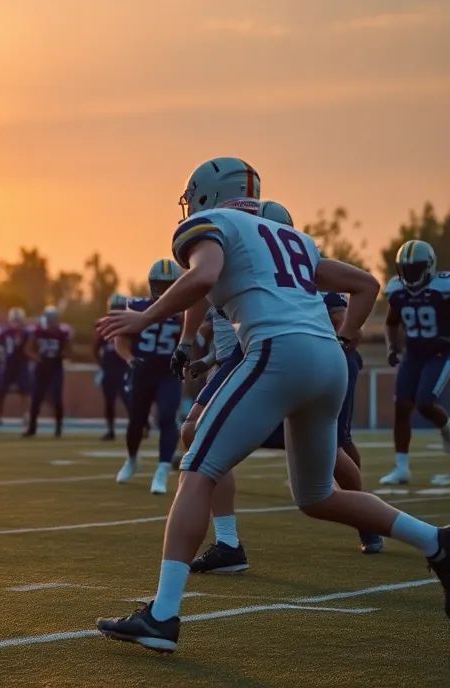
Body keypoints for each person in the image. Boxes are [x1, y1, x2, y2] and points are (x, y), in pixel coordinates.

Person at [95, 157, 450, 653]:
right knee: (317, 495)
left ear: (204, 195)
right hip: (327, 361)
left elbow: (204, 276)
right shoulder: (291, 237)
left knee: (197, 466)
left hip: (278, 352)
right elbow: (367, 285)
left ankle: (163, 614)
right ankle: (437, 541)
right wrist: (346, 341)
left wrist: (143, 318)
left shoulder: (213, 224)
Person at [176, 200, 383, 574]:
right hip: (241, 358)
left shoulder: (297, 269)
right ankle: (227, 541)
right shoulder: (235, 253)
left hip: (288, 356)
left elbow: (352, 301)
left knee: (331, 458)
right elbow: (201, 295)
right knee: (194, 432)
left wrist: (342, 341)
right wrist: (195, 348)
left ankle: (369, 522)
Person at [379, 240, 450, 484]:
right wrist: (392, 346)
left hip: (441, 354)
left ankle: (448, 430)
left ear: (429, 267)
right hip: (413, 354)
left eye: (415, 268)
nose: (409, 274)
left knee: (425, 403)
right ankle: (401, 468)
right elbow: (391, 322)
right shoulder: (397, 290)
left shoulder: (443, 287)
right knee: (401, 408)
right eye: (406, 269)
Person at [114, 261, 183, 495]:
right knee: (136, 423)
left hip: (168, 372)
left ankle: (162, 470)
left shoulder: (184, 310)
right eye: (161, 286)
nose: (164, 291)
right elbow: (120, 339)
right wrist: (129, 358)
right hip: (142, 371)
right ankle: (132, 459)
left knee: (166, 416)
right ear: (152, 285)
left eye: (169, 286)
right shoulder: (136, 306)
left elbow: (195, 334)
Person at [25, 306, 71, 438]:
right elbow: (28, 349)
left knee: (57, 397)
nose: (53, 322)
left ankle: (58, 428)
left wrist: (62, 354)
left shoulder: (62, 333)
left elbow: (68, 350)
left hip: (55, 368)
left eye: (55, 319)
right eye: (51, 320)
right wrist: (36, 357)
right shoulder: (38, 332)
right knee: (36, 399)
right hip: (41, 369)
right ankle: (32, 428)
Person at [93, 293, 130, 441]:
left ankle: (141, 425)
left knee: (130, 400)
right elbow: (95, 348)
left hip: (124, 368)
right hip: (109, 370)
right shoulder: (103, 325)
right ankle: (110, 430)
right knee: (109, 402)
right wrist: (102, 365)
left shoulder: (130, 323)